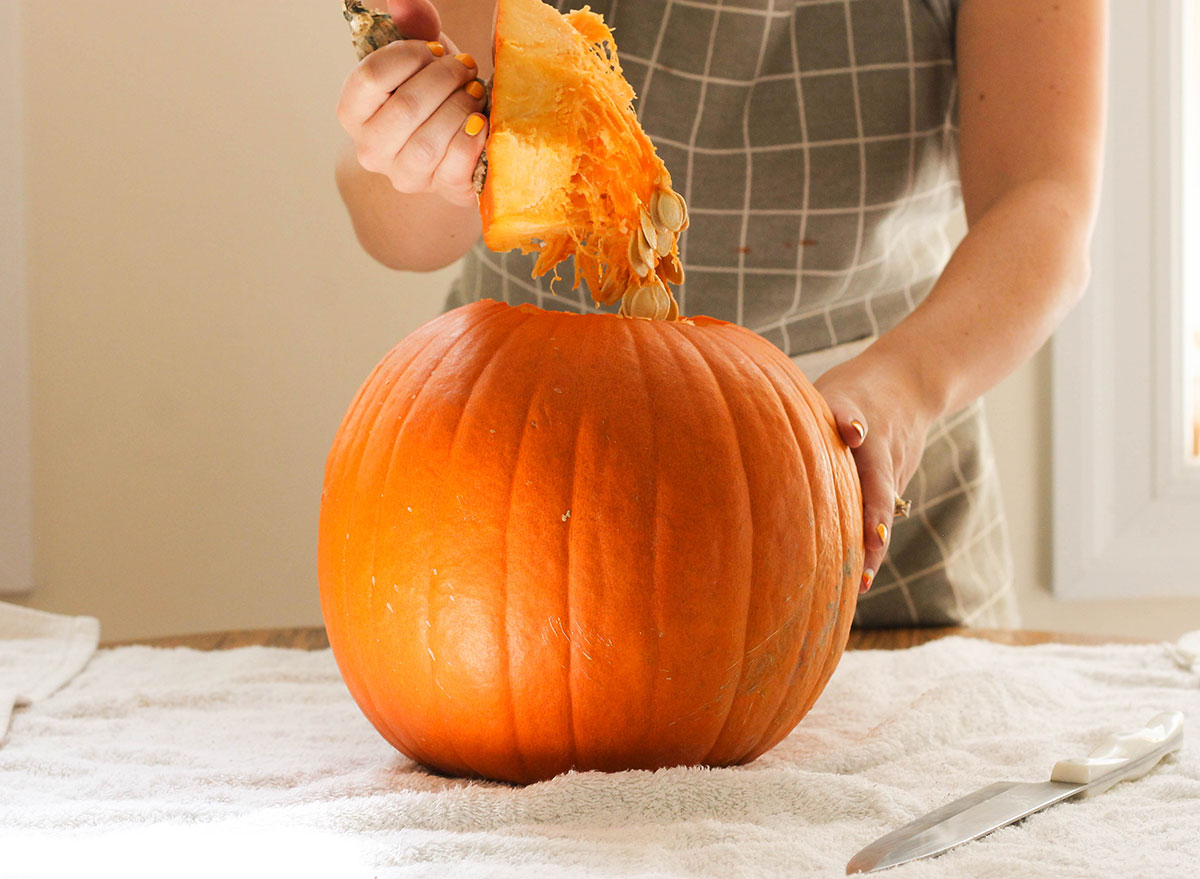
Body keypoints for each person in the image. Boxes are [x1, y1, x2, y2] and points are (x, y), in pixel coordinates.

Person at [334, 0, 1106, 627]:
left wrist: (901, 389)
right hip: (519, 497)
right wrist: (429, 155)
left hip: (873, 490)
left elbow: (1044, 200)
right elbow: (395, 226)